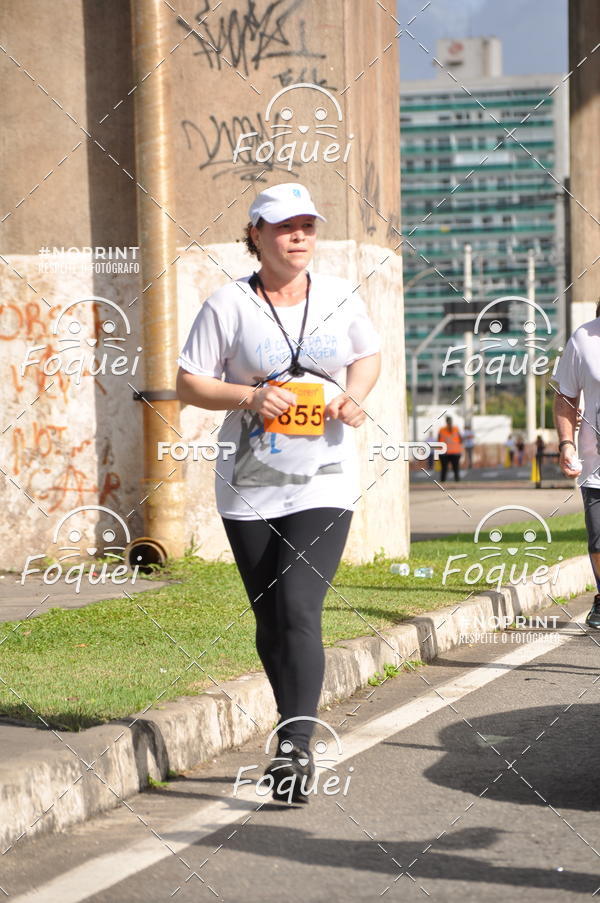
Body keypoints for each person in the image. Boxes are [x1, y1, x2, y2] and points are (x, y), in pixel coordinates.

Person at [176, 182, 382, 801]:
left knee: (298, 606)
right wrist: (251, 396)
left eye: (307, 226)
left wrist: (354, 397)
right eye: (285, 226)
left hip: (325, 477)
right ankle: (290, 723)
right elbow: (189, 383)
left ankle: (294, 748)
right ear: (257, 235)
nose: (299, 236)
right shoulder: (228, 304)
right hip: (250, 481)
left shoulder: (338, 296)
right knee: (270, 618)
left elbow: (367, 355)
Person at [552, 300, 600, 629]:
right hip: (595, 466)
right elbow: (566, 396)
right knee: (598, 541)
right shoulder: (583, 338)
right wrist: (566, 443)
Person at [438, 415, 463, 482]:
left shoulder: (442, 430)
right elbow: (461, 440)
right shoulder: (455, 429)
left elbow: (438, 440)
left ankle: (443, 481)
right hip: (453, 452)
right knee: (455, 468)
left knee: (445, 469)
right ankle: (457, 481)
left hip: (446, 452)